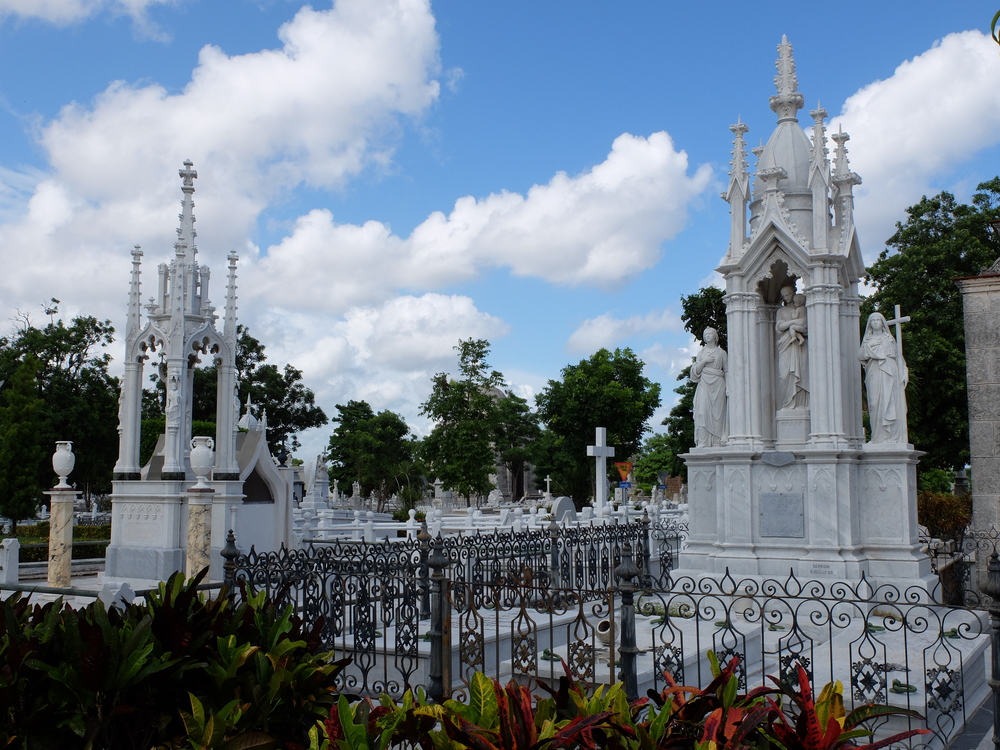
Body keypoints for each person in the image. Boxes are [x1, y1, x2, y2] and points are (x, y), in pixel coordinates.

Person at [858, 312, 908, 443]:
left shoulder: (889, 339)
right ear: (870, 324)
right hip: (874, 370)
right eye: (872, 320)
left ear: (882, 322)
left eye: (878, 320)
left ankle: (891, 436)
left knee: (890, 400)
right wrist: (871, 348)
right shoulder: (868, 340)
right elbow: (860, 356)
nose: (875, 322)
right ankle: (878, 436)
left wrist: (904, 371)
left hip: (890, 370)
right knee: (875, 403)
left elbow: (899, 358)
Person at [691, 327, 728, 447]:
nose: (707, 335)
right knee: (702, 411)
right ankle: (703, 442)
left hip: (718, 383)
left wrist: (729, 386)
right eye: (705, 334)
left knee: (718, 414)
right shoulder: (701, 353)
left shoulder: (721, 353)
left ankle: (717, 441)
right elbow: (696, 371)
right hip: (704, 382)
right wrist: (704, 361)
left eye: (710, 333)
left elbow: (727, 370)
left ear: (715, 336)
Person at [775, 285, 808, 409]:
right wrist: (793, 323)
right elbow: (779, 327)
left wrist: (789, 324)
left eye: (788, 294)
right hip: (785, 345)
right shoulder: (781, 311)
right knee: (785, 375)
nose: (786, 297)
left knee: (800, 373)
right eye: (783, 296)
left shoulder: (802, 309)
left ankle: (800, 404)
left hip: (799, 346)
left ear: (793, 293)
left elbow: (805, 325)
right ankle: (787, 404)